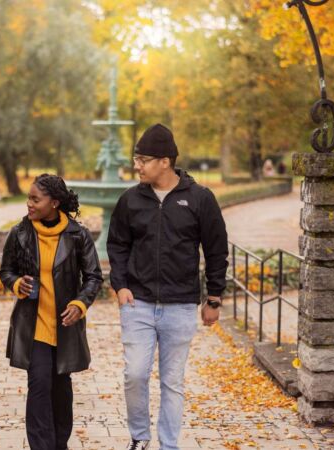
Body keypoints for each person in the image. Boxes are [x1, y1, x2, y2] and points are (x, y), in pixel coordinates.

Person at [107, 124, 229, 450]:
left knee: (172, 382)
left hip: (181, 305)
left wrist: (213, 298)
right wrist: (120, 285)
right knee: (135, 375)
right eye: (136, 158)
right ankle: (139, 438)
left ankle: (168, 445)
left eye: (143, 159)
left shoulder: (200, 199)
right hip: (138, 303)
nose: (137, 165)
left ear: (165, 161)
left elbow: (216, 250)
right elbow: (117, 245)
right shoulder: (130, 200)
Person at [0, 174, 103, 450]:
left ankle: (59, 443)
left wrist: (80, 304)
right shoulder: (19, 233)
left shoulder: (78, 235)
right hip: (34, 327)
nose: (29, 204)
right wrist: (17, 283)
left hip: (65, 327)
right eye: (29, 198)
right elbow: (5, 271)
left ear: (54, 203)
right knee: (39, 386)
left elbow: (94, 277)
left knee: (61, 390)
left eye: (35, 199)